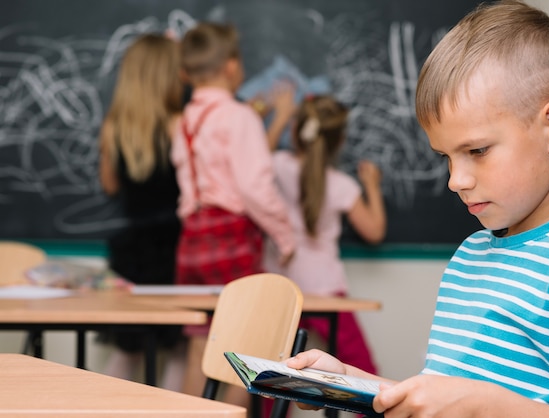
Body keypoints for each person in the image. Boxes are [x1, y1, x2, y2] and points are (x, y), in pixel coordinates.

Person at [286, 1, 549, 417]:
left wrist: (490, 407)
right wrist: (350, 382)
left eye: (477, 150)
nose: (456, 180)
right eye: (446, 157)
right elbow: (441, 399)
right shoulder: (470, 255)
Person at [171, 21, 296, 399]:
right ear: (230, 66)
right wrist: (284, 236)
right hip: (231, 238)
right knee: (245, 351)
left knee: (201, 347)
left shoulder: (184, 120)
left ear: (186, 73)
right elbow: (255, 188)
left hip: (192, 239)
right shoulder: (239, 116)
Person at [263, 94, 386, 377]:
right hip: (325, 289)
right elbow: (374, 231)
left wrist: (280, 117)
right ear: (339, 141)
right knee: (363, 371)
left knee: (267, 374)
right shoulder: (343, 186)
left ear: (296, 131)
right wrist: (372, 185)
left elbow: (256, 159)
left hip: (280, 286)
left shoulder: (278, 165)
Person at [98, 33, 186, 390]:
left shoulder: (113, 127)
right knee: (181, 349)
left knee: (128, 348)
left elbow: (110, 185)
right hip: (176, 249)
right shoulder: (181, 125)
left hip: (135, 253)